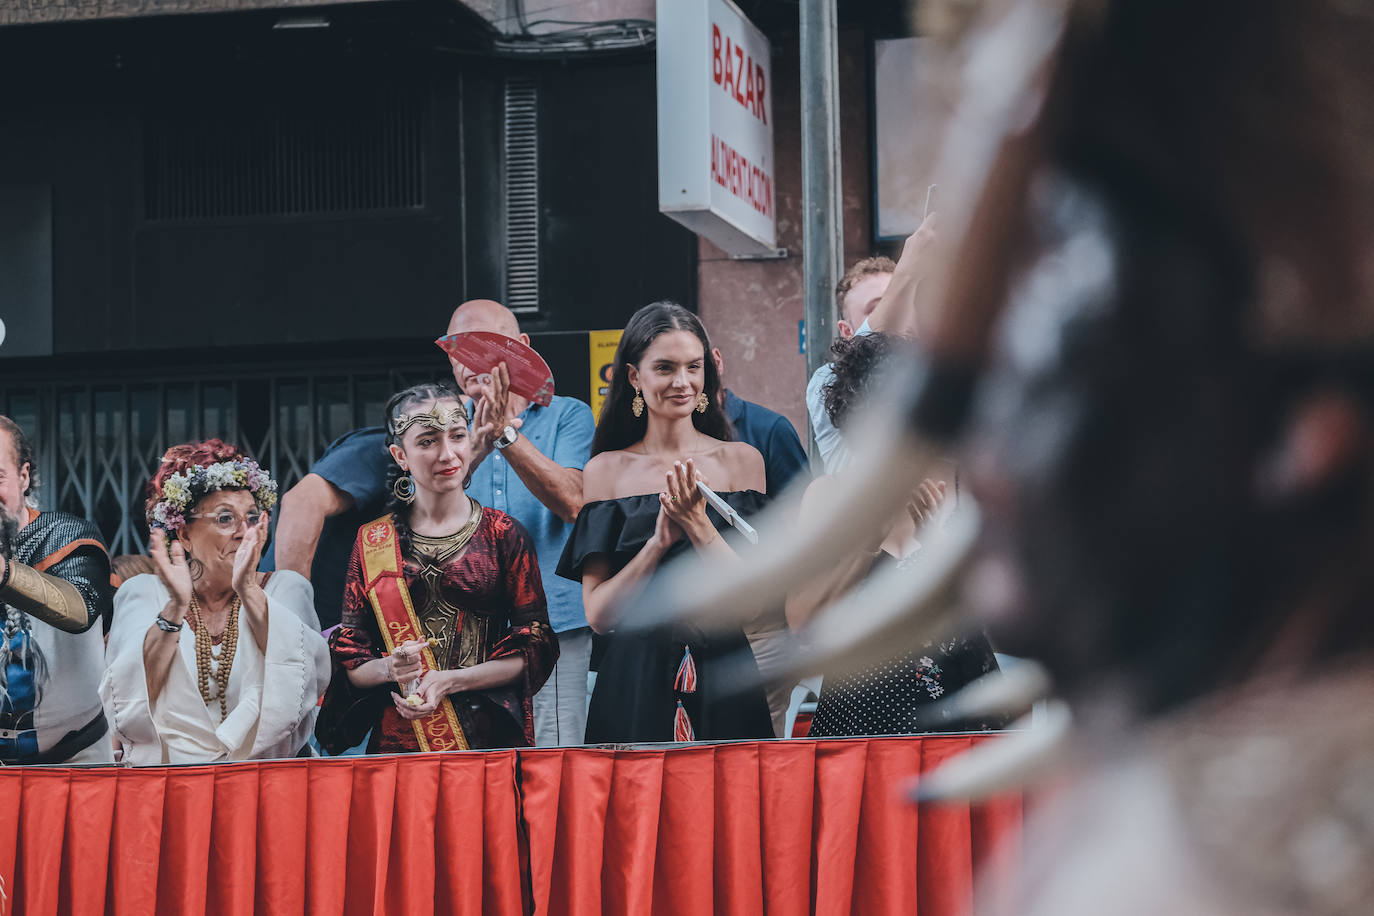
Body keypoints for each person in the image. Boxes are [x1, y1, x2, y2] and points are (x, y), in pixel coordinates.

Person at [267, 299, 595, 747]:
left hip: (549, 625)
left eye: (489, 346)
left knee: (553, 760)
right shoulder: (433, 420)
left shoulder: (567, 414)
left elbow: (574, 502)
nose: (474, 362)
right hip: (440, 627)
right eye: (462, 350)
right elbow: (434, 489)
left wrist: (504, 434)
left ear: (522, 347)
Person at [557, 301, 774, 744]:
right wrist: (657, 543)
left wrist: (699, 525)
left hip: (725, 667)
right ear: (634, 377)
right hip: (633, 673)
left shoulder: (742, 461)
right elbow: (599, 615)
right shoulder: (605, 470)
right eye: (665, 368)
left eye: (694, 367)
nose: (683, 382)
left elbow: (754, 603)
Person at [316, 382, 557, 753]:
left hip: (484, 740)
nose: (448, 454)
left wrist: (452, 680)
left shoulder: (502, 533)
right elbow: (352, 657)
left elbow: (535, 647)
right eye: (427, 441)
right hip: (397, 745)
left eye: (457, 436)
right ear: (401, 455)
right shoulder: (373, 541)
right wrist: (389, 669)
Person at [786, 333, 1002, 736]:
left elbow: (999, 616)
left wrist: (938, 547)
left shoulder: (961, 485)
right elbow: (802, 621)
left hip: (957, 714)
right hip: (859, 717)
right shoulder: (831, 496)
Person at [100, 439, 330, 764]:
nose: (242, 532)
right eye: (225, 519)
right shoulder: (142, 593)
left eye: (252, 518)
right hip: (171, 787)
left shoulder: (285, 589)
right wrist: (176, 607)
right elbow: (127, 695)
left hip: (266, 782)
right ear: (184, 535)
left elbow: (304, 678)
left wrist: (248, 588)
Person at [0, 416, 115, 764]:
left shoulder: (64, 534)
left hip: (78, 756)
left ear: (23, 477)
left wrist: (4, 572)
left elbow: (80, 608)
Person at [710, 347, 809, 735]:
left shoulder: (768, 428)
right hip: (693, 627)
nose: (684, 379)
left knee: (751, 751)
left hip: (761, 629)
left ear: (717, 360)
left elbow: (803, 527)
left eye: (695, 364)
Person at [805, 217, 935, 473]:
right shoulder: (825, 382)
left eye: (904, 301)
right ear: (847, 331)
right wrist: (908, 271)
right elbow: (868, 344)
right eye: (878, 307)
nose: (900, 313)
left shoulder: (934, 371)